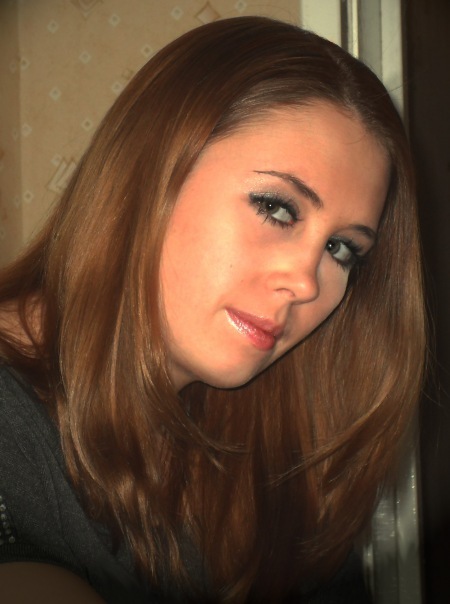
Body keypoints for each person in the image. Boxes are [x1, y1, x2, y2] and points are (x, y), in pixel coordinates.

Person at [0, 15, 426, 604]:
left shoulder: (276, 447)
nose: (306, 283)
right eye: (277, 208)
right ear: (150, 169)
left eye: (340, 249)